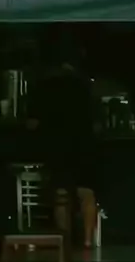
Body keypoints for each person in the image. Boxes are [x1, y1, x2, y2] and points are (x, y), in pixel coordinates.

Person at [27, 54, 99, 247]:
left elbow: (32, 122)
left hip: (57, 146)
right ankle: (87, 241)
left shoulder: (44, 87)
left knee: (61, 194)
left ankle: (64, 241)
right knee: (86, 192)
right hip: (84, 144)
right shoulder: (83, 85)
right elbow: (96, 120)